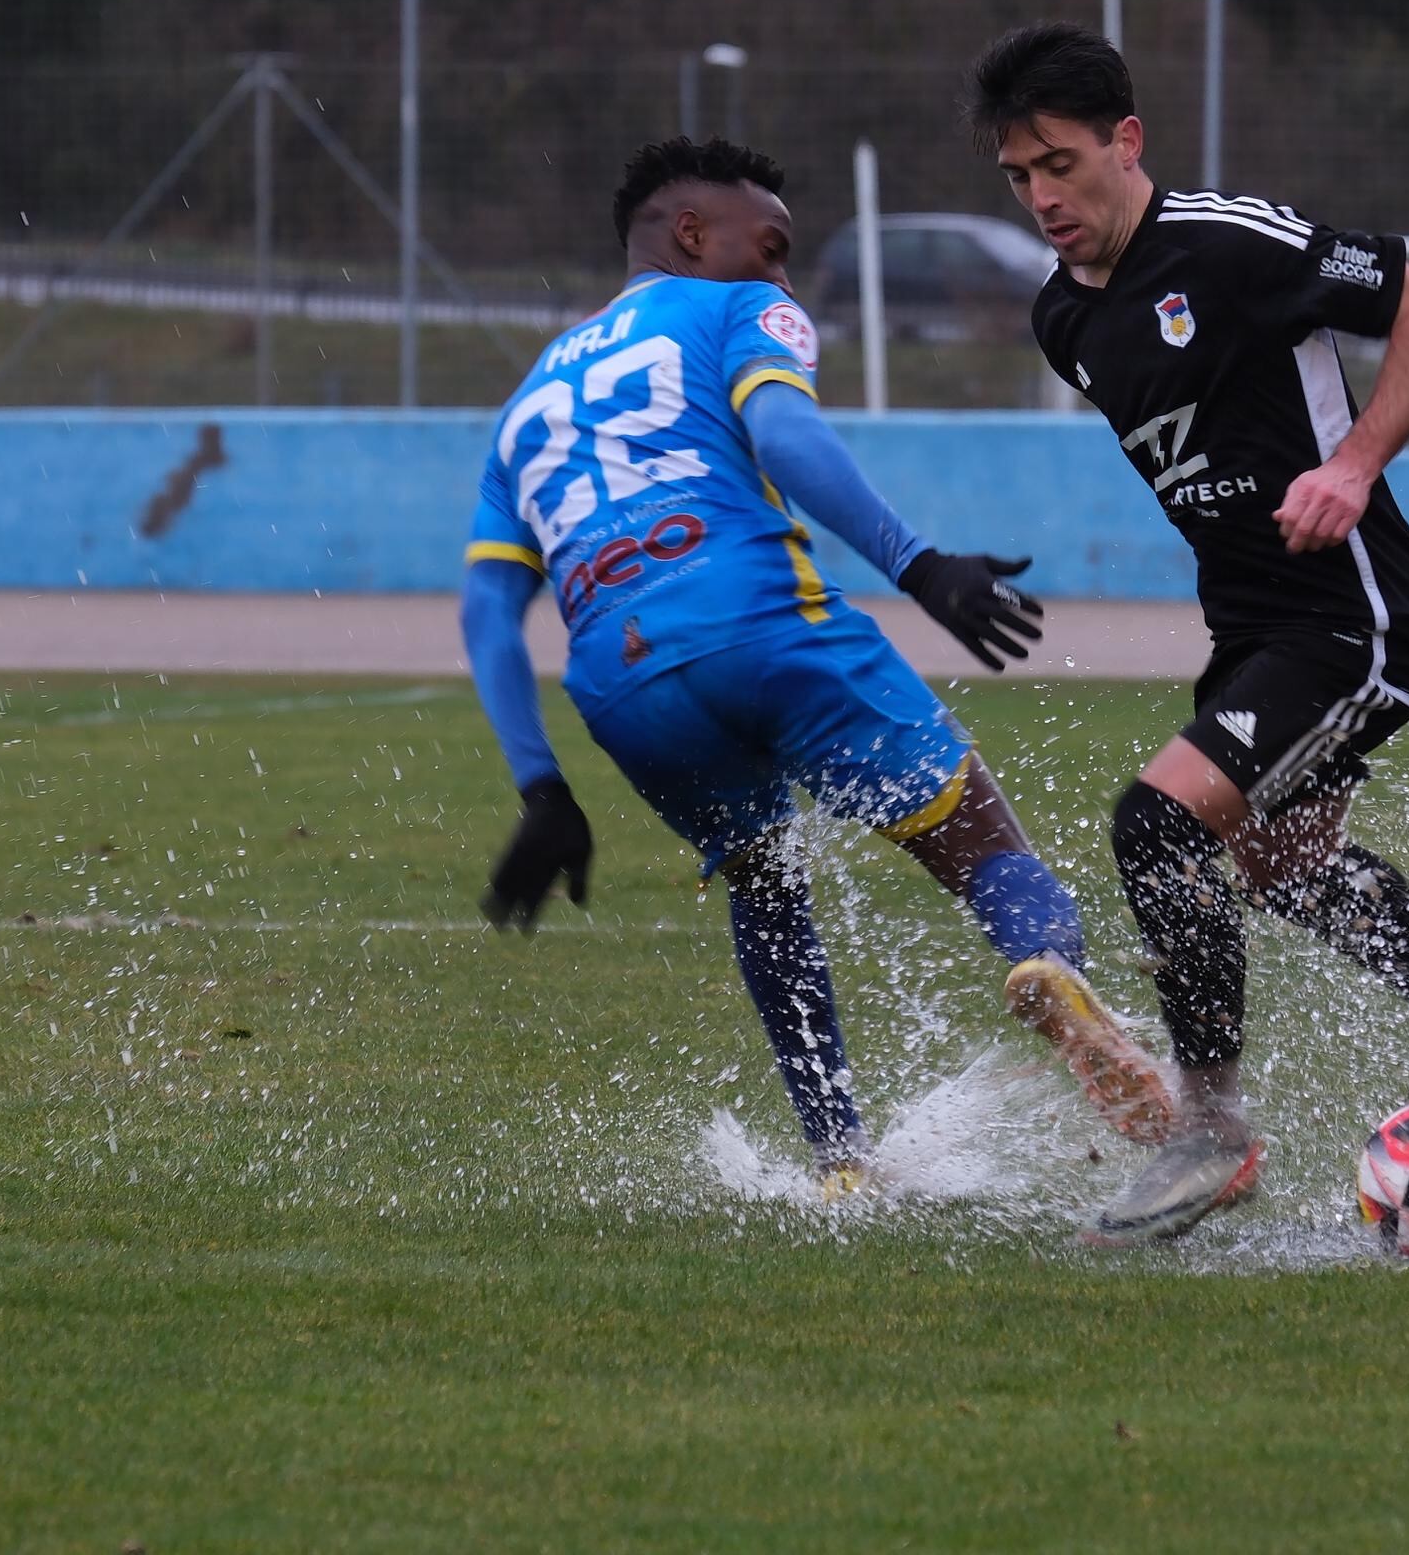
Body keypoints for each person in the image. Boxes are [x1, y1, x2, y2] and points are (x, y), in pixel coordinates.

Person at [460, 135, 1174, 1198]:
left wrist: (541, 786)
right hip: (759, 623)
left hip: (620, 686)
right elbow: (785, 435)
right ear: (693, 234)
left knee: (765, 883)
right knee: (976, 838)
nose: (786, 277)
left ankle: (841, 1157)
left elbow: (486, 609)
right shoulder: (731, 309)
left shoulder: (525, 407)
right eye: (774, 247)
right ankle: (1046, 969)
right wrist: (920, 567)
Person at [963, 21, 1409, 1246]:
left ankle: (1210, 1129)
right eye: (1019, 177)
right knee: (1278, 865)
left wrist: (1358, 474)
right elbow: (1246, 444)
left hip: (1342, 617)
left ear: (1128, 141)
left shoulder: (1229, 243)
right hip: (1262, 623)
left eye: (1062, 163)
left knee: (1159, 823)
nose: (1043, 197)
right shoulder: (1065, 320)